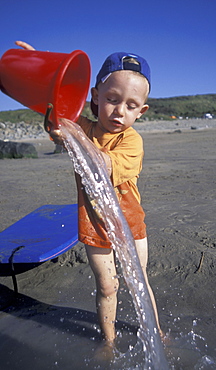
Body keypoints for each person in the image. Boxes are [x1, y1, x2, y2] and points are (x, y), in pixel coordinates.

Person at [16, 41, 165, 359]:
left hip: (131, 224)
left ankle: (156, 331)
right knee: (107, 287)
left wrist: (80, 141)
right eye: (112, 99)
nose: (119, 111)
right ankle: (108, 341)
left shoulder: (131, 141)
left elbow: (107, 165)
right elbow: (56, 121)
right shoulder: (81, 126)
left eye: (130, 105)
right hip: (94, 226)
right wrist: (41, 75)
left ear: (142, 111)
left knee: (139, 282)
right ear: (95, 97)